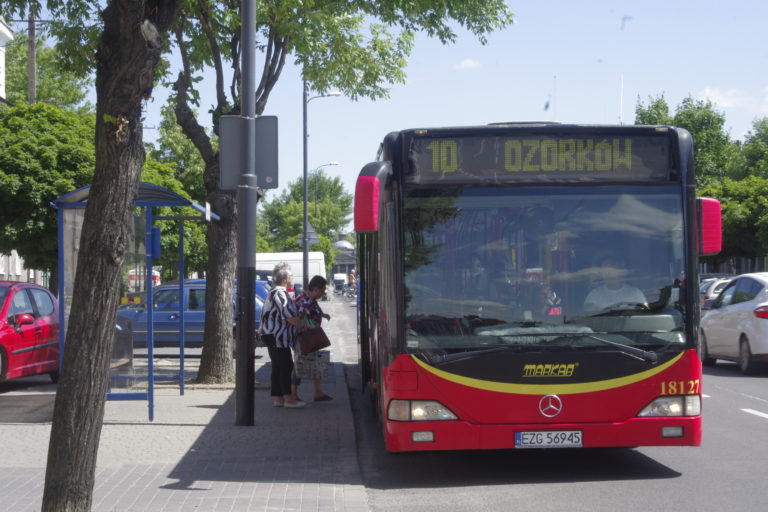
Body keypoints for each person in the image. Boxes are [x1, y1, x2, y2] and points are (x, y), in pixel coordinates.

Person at [259, 265, 307, 408]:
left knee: (278, 367)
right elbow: (288, 315)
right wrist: (303, 325)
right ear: (285, 279)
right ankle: (288, 399)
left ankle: (278, 398)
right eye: (291, 275)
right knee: (286, 366)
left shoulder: (274, 292)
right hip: (278, 336)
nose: (293, 277)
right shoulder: (280, 293)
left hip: (273, 335)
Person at [291, 275, 333, 402]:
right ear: (315, 288)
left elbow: (312, 312)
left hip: (309, 336)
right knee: (299, 365)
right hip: (305, 337)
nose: (322, 293)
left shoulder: (308, 298)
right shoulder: (305, 301)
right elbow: (301, 318)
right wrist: (311, 327)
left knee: (315, 363)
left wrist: (322, 314)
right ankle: (293, 393)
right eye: (322, 291)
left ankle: (317, 392)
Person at [583, 256, 647, 312]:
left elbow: (644, 315)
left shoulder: (635, 293)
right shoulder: (595, 294)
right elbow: (589, 315)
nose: (607, 273)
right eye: (604, 269)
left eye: (611, 268)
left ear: (620, 271)